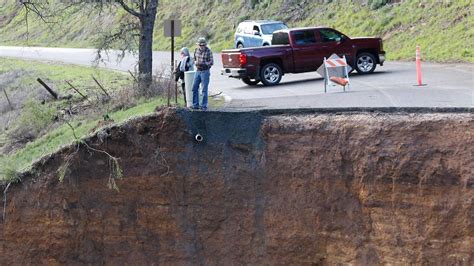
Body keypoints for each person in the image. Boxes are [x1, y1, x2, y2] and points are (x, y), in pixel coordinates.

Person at [192, 37, 213, 110]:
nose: (202, 47)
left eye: (203, 45)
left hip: (205, 71)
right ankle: (195, 105)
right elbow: (194, 58)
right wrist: (195, 62)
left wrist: (204, 63)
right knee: (194, 87)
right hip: (198, 70)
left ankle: (204, 106)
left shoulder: (208, 51)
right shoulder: (196, 50)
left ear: (205, 45)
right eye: (200, 45)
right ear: (198, 45)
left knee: (204, 89)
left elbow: (211, 62)